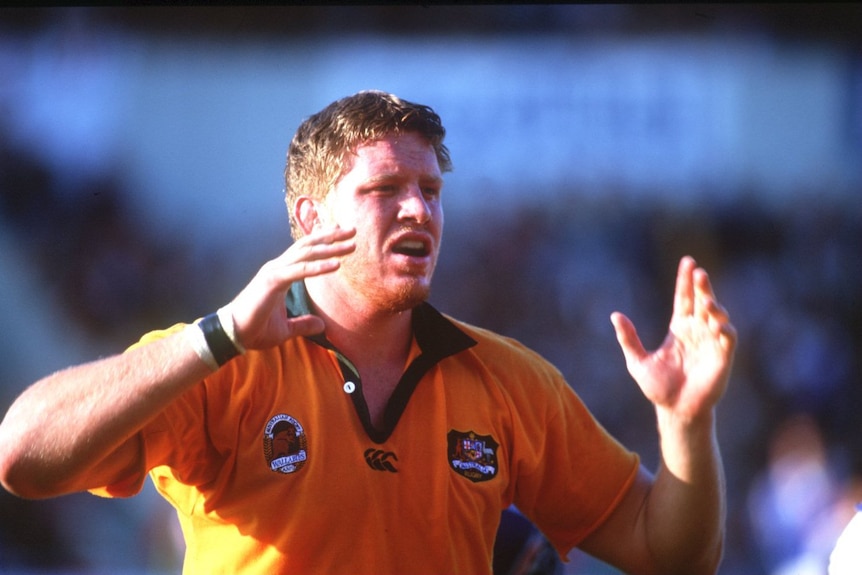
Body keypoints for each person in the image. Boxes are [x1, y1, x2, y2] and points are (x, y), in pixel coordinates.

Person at [0, 90, 736, 575]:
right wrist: (218, 336)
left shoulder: (512, 380)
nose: (419, 210)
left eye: (431, 191)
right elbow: (23, 457)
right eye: (386, 190)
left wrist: (687, 424)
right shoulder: (224, 364)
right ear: (309, 218)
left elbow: (670, 551)